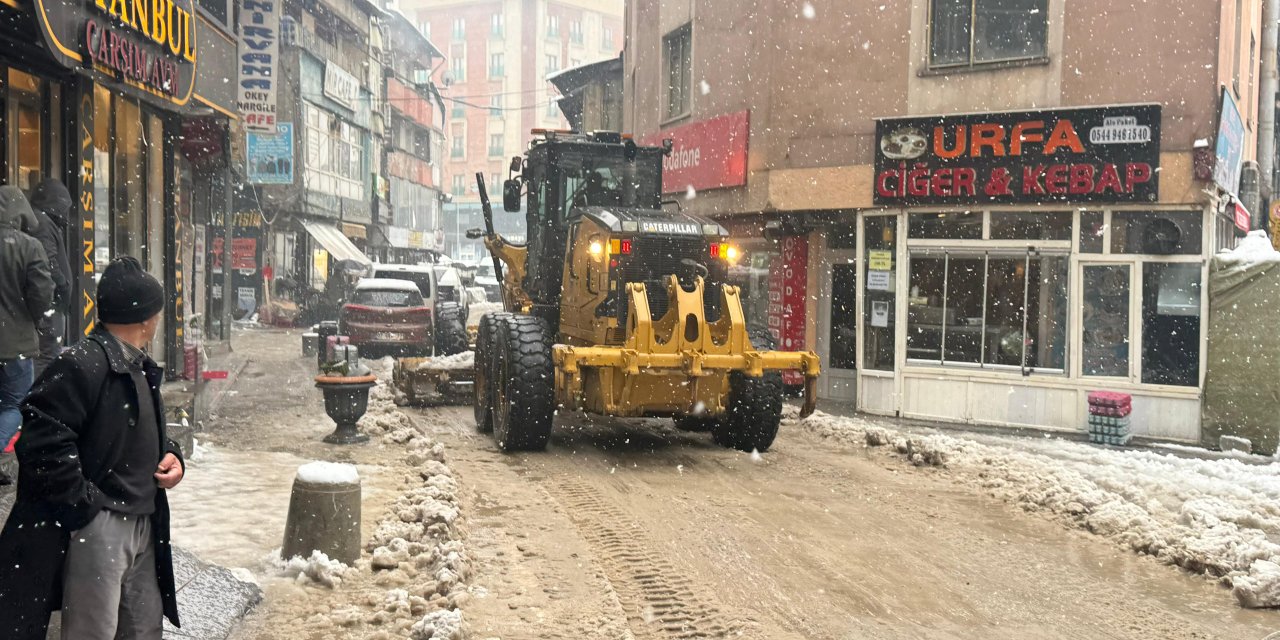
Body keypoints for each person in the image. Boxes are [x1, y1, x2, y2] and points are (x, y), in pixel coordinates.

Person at [0, 256, 185, 639]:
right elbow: (41, 444)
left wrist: (171, 454)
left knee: (143, 628)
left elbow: (131, 428)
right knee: (92, 632)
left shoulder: (136, 363)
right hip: (101, 524)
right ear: (146, 318)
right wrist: (87, 507)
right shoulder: (81, 363)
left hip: (142, 518)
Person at [0, 185, 54, 486]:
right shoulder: (29, 246)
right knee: (14, 405)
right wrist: (32, 318)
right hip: (16, 344)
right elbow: (41, 295)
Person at [27, 179, 74, 378]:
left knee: (48, 355)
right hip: (50, 302)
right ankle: (39, 404)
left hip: (50, 302)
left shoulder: (42, 221)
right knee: (47, 357)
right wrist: (61, 286)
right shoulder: (43, 223)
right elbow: (48, 261)